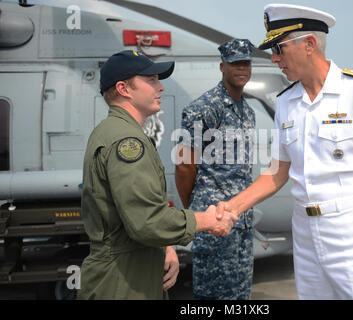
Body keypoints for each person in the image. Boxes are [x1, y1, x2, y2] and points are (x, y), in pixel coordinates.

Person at [215, 4, 353, 300]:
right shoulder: (286, 102)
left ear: (309, 44)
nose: (274, 58)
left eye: (279, 48)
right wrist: (233, 207)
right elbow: (277, 173)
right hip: (304, 234)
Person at [77, 50, 237, 300]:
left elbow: (131, 213)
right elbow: (147, 221)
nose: (160, 87)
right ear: (124, 88)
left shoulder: (113, 131)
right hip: (123, 284)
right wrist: (206, 221)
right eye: (151, 80)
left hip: (130, 272)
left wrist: (165, 246)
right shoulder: (126, 141)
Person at [175, 39, 255, 300]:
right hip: (214, 220)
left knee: (240, 294)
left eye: (246, 63)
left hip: (240, 219)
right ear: (223, 66)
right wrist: (194, 209)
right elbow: (185, 165)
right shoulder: (205, 108)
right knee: (213, 296)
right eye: (235, 63)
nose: (241, 69)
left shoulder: (247, 111)